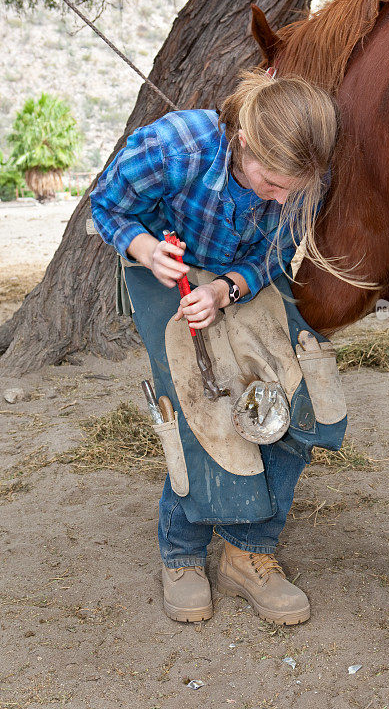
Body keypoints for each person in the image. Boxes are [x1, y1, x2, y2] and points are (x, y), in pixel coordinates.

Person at [90, 69, 340, 626]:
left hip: (234, 280)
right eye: (271, 183)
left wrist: (226, 289)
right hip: (161, 271)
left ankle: (247, 552)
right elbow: (106, 204)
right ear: (244, 142)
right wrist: (147, 247)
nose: (280, 197)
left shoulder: (301, 176)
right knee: (198, 406)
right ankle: (180, 553)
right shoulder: (177, 144)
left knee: (300, 402)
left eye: (291, 191)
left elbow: (280, 248)